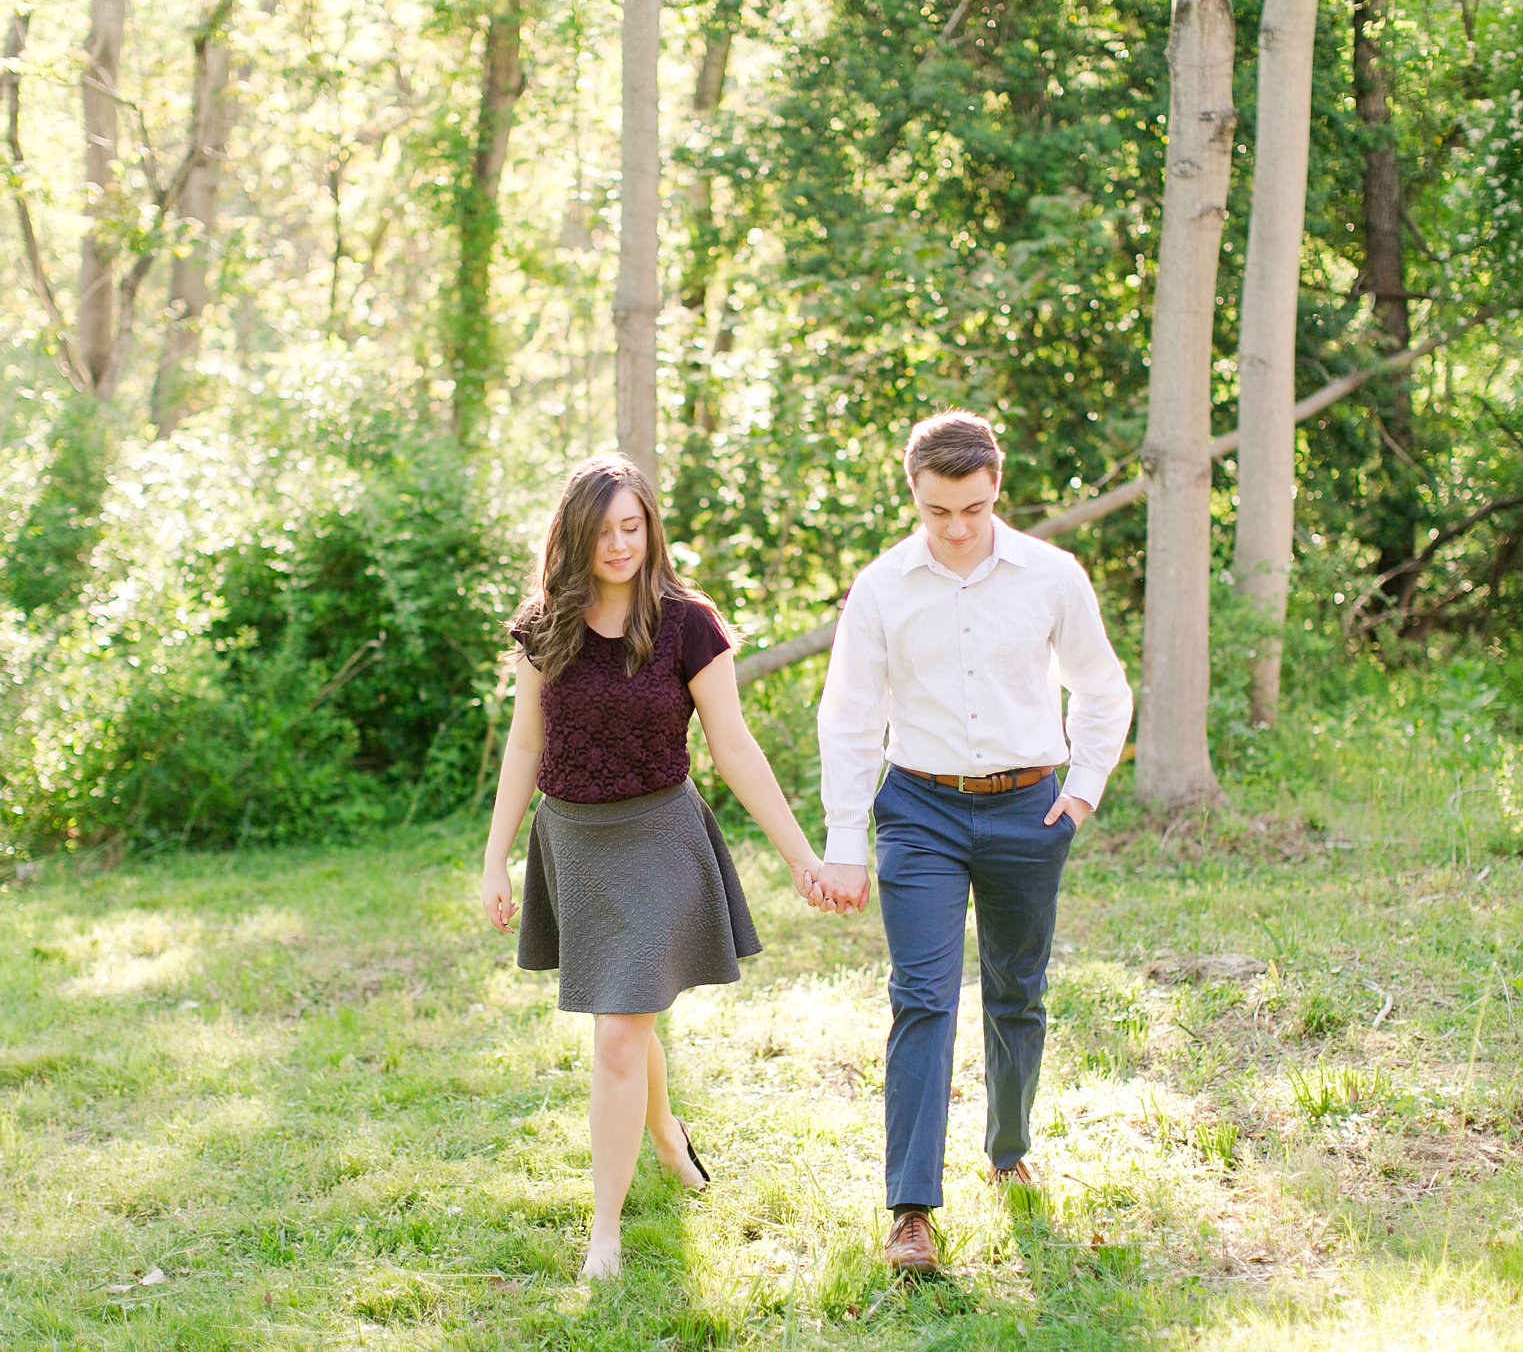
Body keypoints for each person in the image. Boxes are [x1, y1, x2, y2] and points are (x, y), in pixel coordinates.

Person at [480, 455, 828, 1281]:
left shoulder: (688, 624)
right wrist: (494, 859)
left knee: (616, 1033)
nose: (620, 543)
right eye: (603, 530)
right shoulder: (546, 623)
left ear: (650, 528)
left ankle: (605, 1230)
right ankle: (666, 1133)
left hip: (659, 837)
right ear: (574, 535)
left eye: (632, 526)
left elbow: (733, 747)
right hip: (573, 839)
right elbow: (526, 744)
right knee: (625, 1011)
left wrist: (801, 855)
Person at [814, 410, 1133, 1275]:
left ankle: (1008, 1145)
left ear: (998, 487)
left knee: (1016, 990)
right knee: (922, 994)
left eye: (974, 509)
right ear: (913, 494)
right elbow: (848, 717)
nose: (956, 529)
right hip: (918, 809)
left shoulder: (1051, 577)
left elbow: (1102, 688)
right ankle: (911, 1208)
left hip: (1030, 809)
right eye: (938, 512)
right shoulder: (881, 587)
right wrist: (847, 840)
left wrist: (1083, 789)